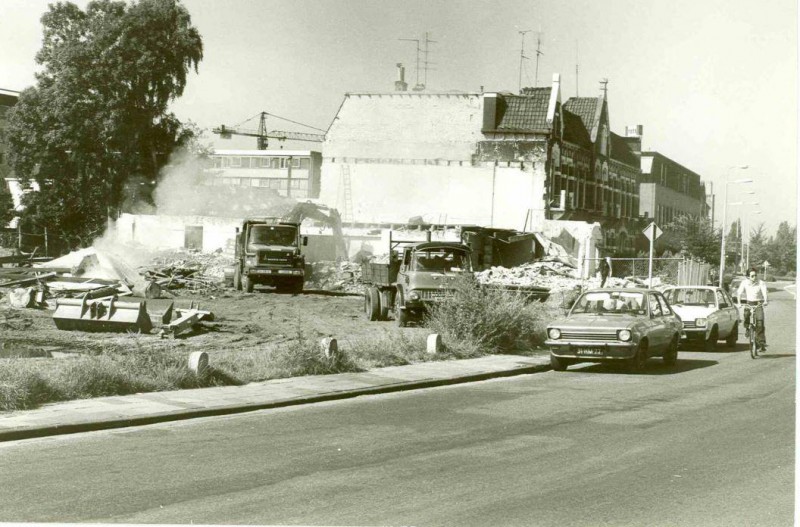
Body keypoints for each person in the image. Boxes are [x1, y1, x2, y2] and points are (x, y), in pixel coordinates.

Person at [736, 267, 769, 352]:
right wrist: (739, 303)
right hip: (749, 303)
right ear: (748, 277)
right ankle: (747, 328)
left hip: (758, 304)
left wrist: (765, 301)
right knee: (746, 315)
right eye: (752, 276)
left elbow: (765, 293)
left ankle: (761, 342)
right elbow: (739, 293)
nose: (754, 277)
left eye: (755, 275)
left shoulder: (761, 283)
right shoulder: (744, 283)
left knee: (760, 322)